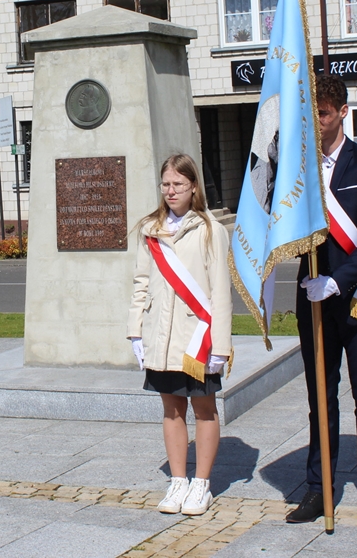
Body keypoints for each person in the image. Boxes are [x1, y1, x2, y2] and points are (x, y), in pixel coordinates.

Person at [287, 73, 357, 531]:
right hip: (313, 299)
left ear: (343, 112)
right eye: (311, 113)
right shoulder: (299, 169)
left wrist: (337, 280)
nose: (317, 121)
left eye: (324, 114)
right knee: (319, 397)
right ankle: (319, 486)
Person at [127, 154, 232, 517]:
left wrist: (220, 345)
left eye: (178, 184)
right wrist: (136, 332)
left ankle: (201, 483)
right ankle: (178, 481)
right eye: (166, 184)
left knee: (204, 409)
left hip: (197, 336)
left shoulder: (210, 229)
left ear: (193, 187)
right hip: (161, 334)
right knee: (171, 410)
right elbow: (141, 283)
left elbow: (220, 290)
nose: (171, 191)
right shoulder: (150, 229)